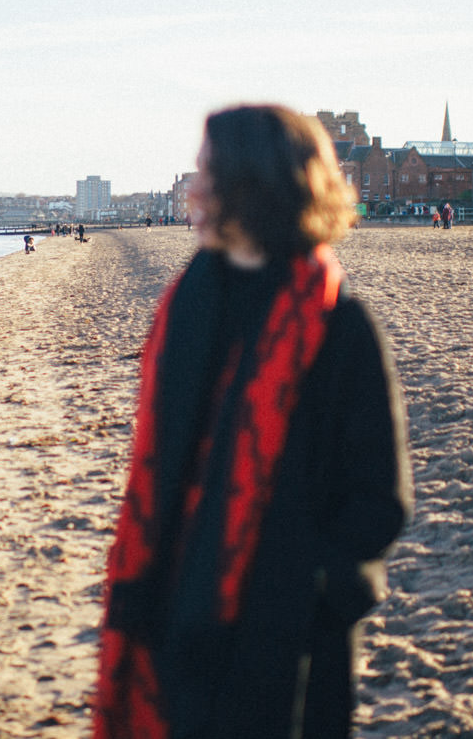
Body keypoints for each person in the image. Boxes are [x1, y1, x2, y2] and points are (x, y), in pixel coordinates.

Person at [94, 105, 412, 739]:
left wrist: (310, 595)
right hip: (175, 607)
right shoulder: (187, 303)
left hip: (287, 637)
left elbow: (381, 499)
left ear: (254, 184)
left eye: (208, 171)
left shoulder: (339, 328)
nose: (193, 188)